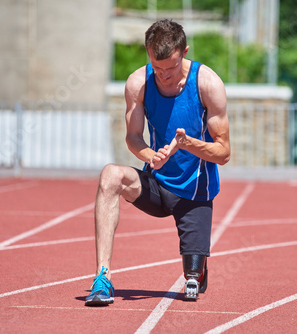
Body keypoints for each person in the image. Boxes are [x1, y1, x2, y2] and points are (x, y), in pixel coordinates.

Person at [85, 19, 231, 306]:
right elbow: (133, 137)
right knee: (110, 175)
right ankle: (102, 277)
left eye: (172, 68)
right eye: (157, 67)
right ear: (148, 52)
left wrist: (189, 143)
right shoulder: (138, 83)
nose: (164, 75)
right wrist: (151, 156)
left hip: (194, 190)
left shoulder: (207, 83)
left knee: (192, 283)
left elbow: (224, 153)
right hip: (156, 181)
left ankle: (197, 269)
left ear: (184, 51)